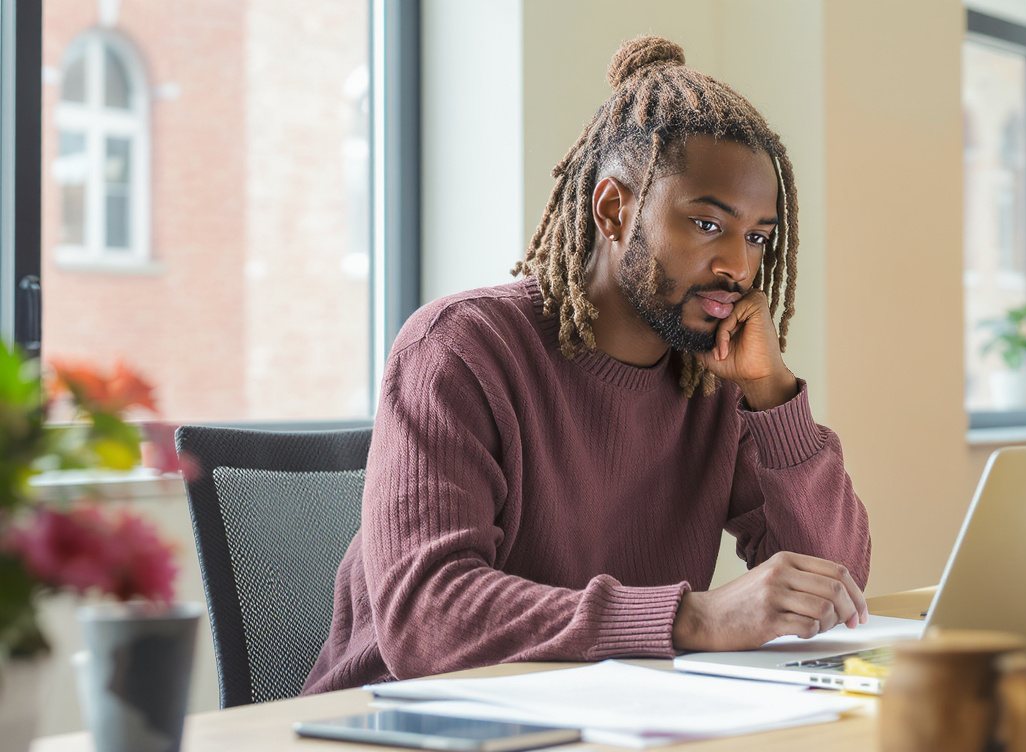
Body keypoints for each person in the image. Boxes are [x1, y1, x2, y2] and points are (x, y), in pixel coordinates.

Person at [302, 35, 871, 694]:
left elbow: (834, 590)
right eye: (708, 225)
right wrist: (691, 617)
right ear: (612, 208)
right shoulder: (459, 350)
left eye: (757, 237)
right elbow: (428, 618)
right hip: (394, 723)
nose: (739, 268)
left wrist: (772, 399)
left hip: (603, 715)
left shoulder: (711, 376)